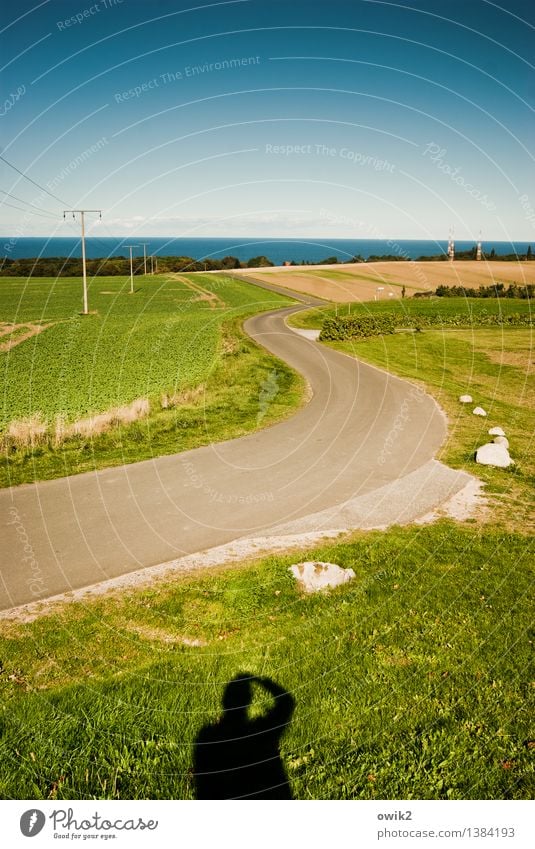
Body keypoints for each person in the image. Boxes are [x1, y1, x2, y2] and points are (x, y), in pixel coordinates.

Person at [193, 673, 295, 799]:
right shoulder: (261, 732)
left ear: (224, 700)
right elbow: (286, 702)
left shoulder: (207, 737)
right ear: (249, 699)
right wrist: (262, 681)